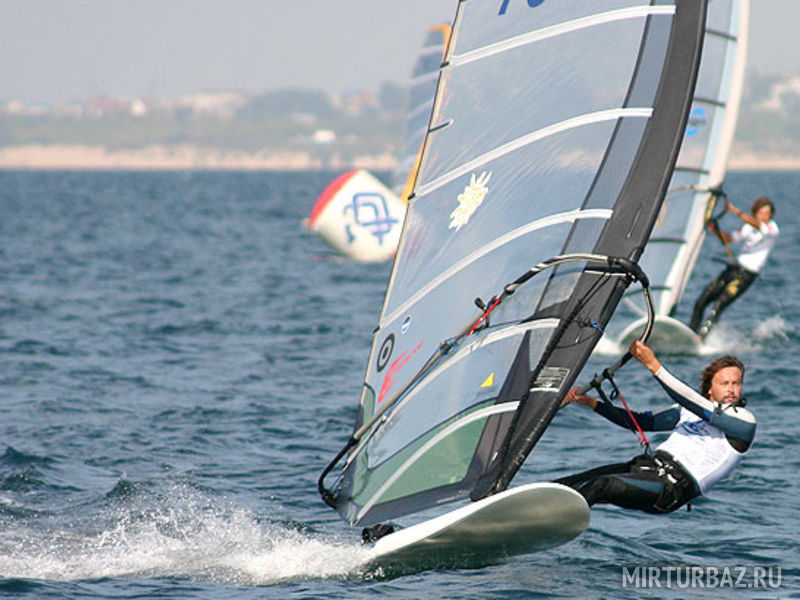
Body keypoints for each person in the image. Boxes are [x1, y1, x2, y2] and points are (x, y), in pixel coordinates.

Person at [555, 340, 755, 513]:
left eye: (736, 383)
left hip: (671, 488)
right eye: (725, 383)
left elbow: (690, 400)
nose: (731, 390)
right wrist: (592, 403)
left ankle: (557, 520)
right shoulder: (687, 412)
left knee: (601, 485)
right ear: (710, 388)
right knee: (569, 484)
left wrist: (653, 365)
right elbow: (641, 422)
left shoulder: (744, 422)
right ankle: (539, 506)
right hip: (647, 468)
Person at [689, 196, 779, 338]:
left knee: (719, 305)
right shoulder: (748, 228)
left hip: (746, 276)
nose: (763, 217)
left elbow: (756, 224)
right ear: (755, 213)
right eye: (760, 213)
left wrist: (735, 211)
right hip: (733, 270)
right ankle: (691, 332)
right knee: (702, 300)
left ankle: (702, 337)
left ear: (771, 215)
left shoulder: (772, 229)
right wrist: (714, 229)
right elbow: (729, 239)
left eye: (767, 214)